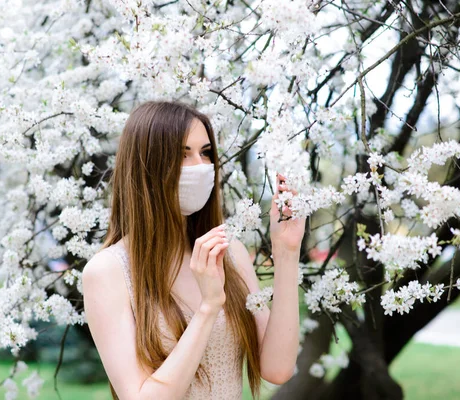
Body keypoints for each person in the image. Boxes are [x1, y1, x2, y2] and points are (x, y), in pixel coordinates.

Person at [83, 101, 305, 400]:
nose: (200, 167)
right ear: (147, 165)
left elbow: (277, 369)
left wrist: (287, 252)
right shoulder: (108, 271)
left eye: (205, 153)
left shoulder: (230, 253)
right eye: (182, 154)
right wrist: (208, 306)